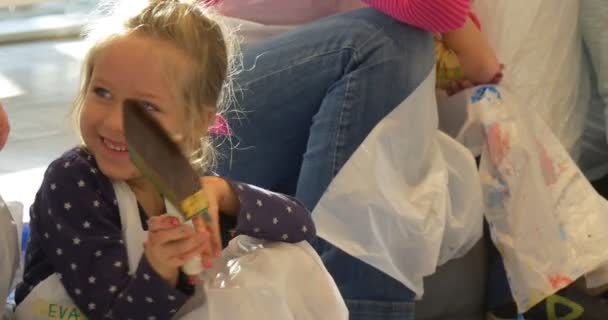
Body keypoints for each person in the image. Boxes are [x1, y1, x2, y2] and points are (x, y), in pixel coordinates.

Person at [12, 1, 317, 319]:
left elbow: (302, 227)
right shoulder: (74, 180)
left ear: (198, 122)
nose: (117, 123)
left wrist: (223, 195)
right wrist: (159, 272)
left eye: (146, 108)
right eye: (102, 92)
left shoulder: (188, 186)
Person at [212, 0, 500, 319]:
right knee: (388, 43)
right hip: (214, 108)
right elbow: (439, 12)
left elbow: (479, 62)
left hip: (306, 140)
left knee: (397, 92)